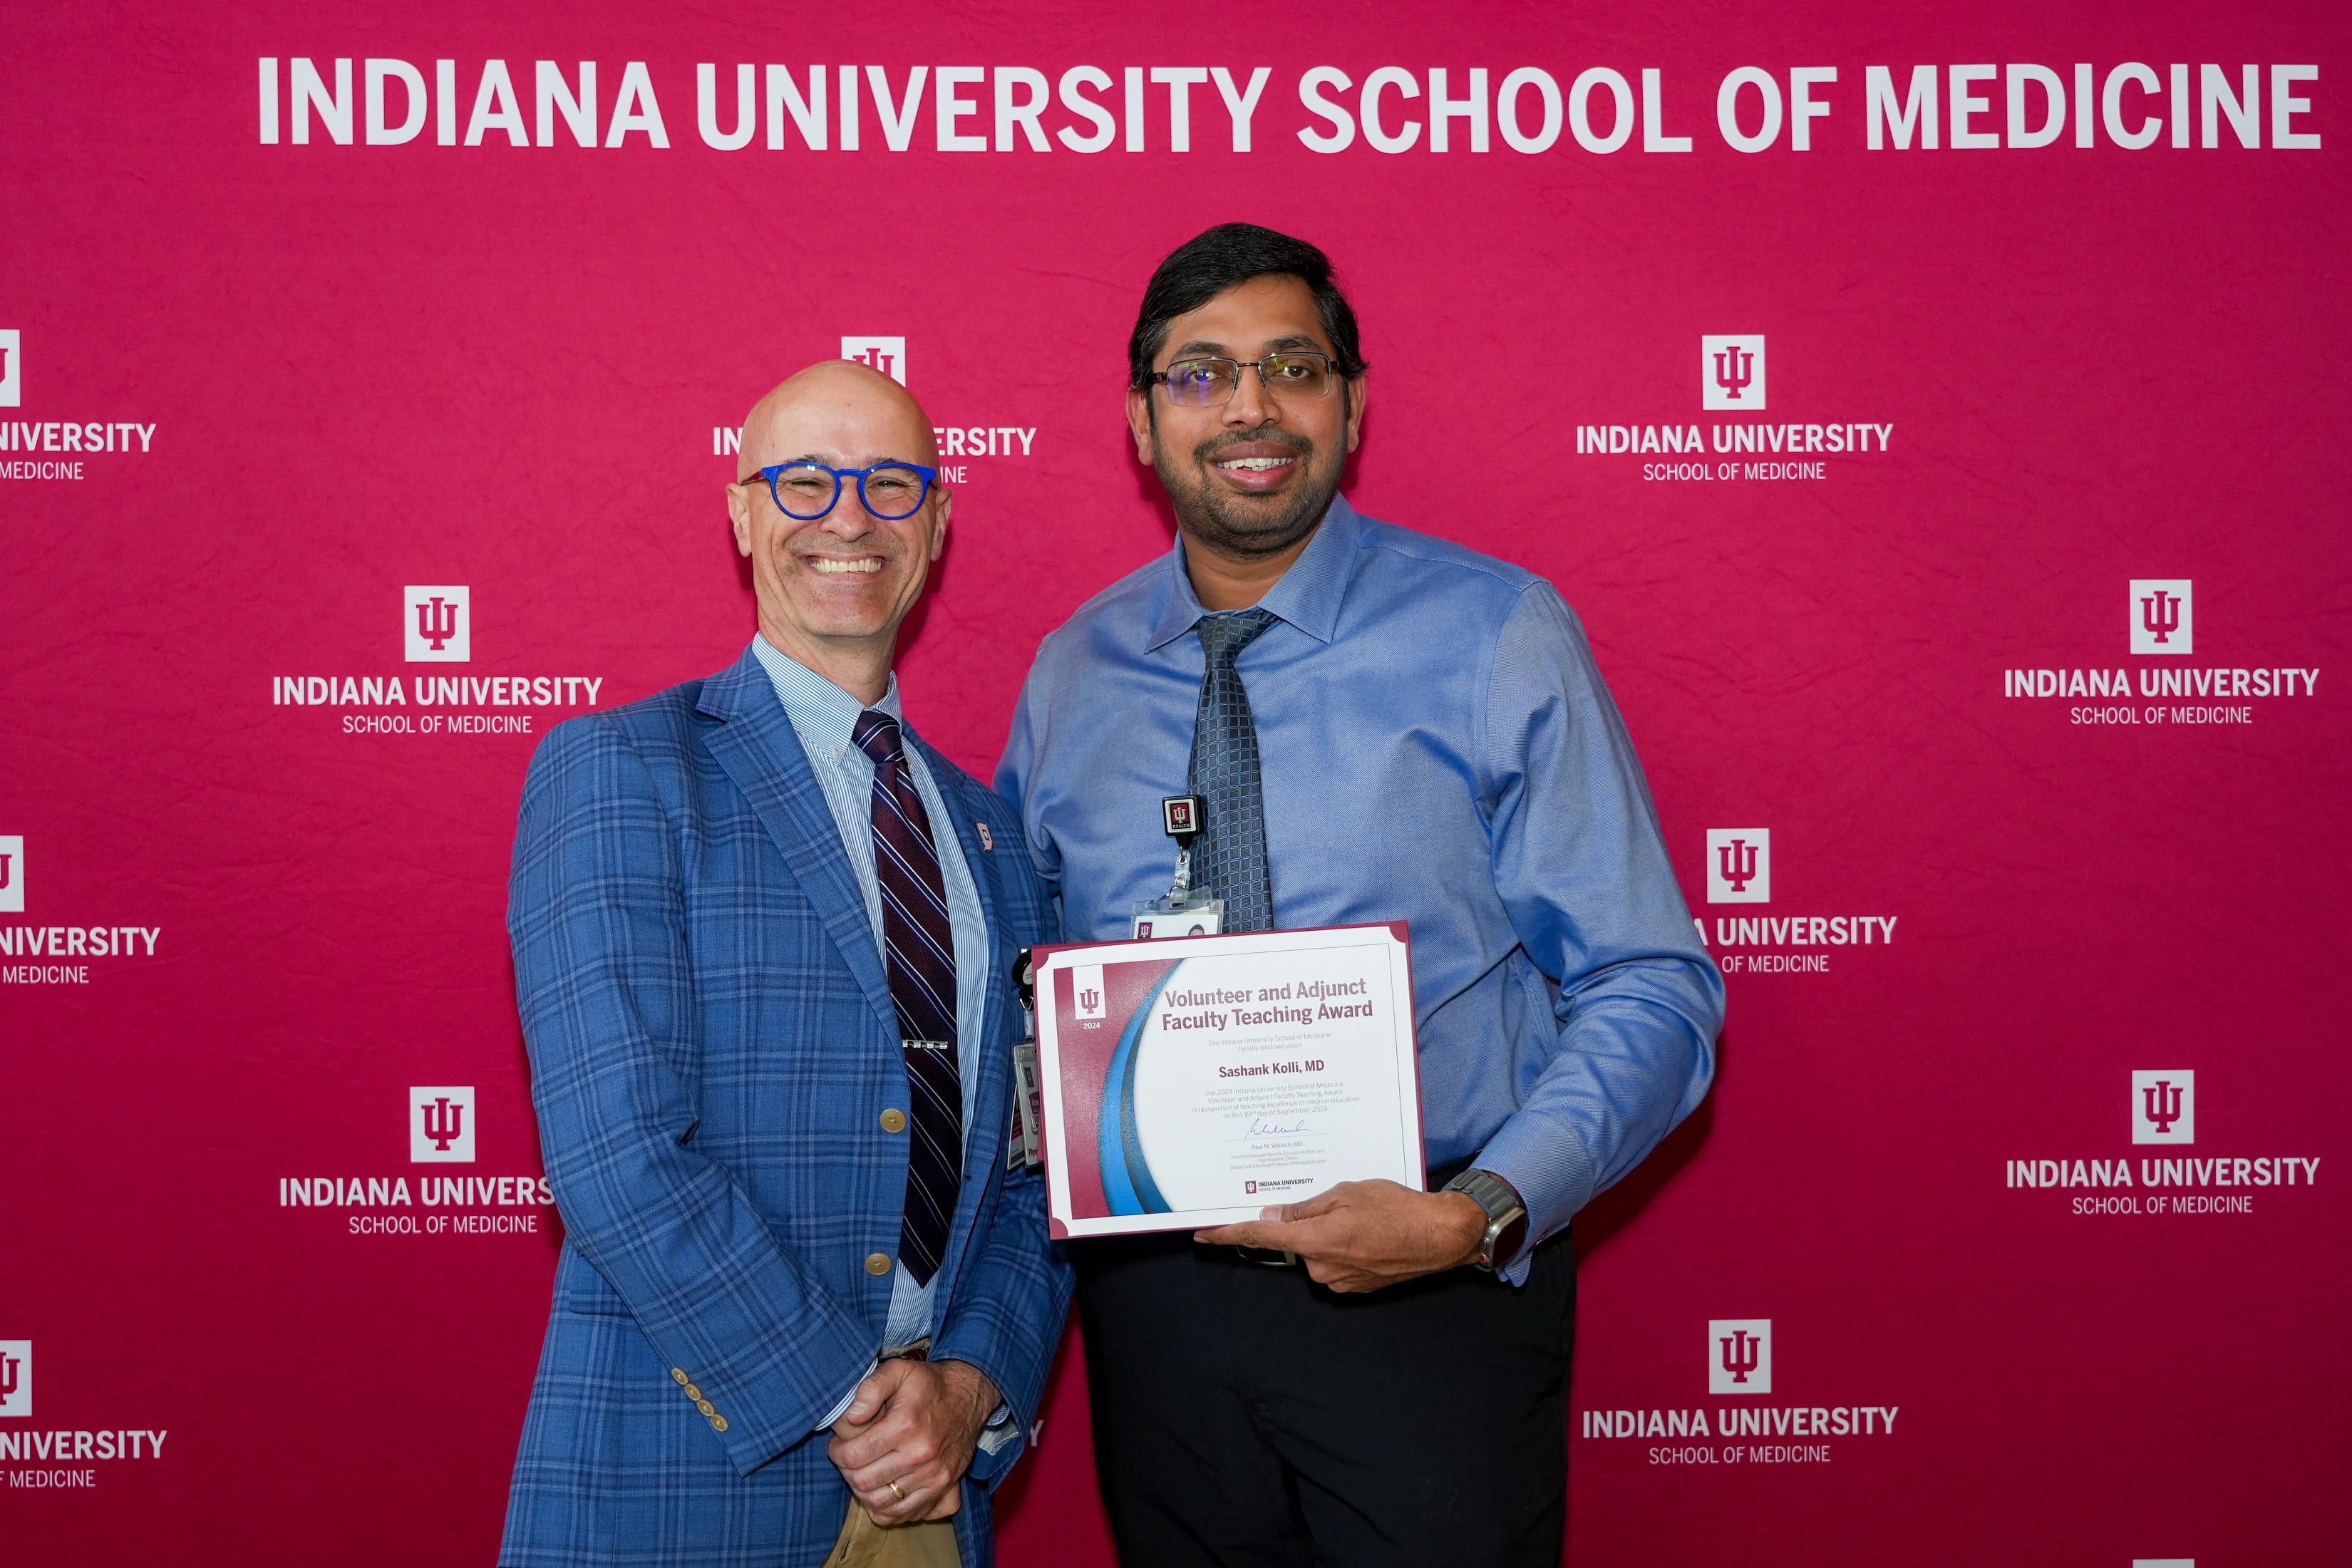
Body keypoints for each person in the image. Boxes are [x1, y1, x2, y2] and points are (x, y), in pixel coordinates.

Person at [996, 224, 1723, 1567]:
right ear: (1141, 425)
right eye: (1199, 374)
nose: (1251, 407)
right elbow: (1025, 1004)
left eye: (1292, 365)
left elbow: (1649, 978)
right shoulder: (1070, 676)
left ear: (1353, 403)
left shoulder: (1496, 631)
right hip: (1156, 1310)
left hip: (1430, 1284)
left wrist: (1480, 1212)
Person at [500, 359, 1068, 1568]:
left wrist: (968, 1389)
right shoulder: (622, 772)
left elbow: (1036, 1173)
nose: (849, 520)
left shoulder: (995, 837)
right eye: (804, 483)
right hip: (684, 1476)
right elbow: (618, 1151)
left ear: (941, 518)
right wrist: (855, 1402)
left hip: (929, 1493)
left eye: (890, 485)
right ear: (744, 510)